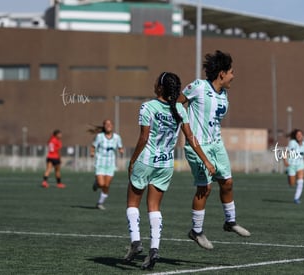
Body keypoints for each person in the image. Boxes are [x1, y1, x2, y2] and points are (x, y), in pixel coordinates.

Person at [124, 72, 215, 270]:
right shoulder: (181, 111)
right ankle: (154, 248)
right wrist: (206, 161)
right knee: (154, 207)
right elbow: (191, 138)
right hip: (165, 164)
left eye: (156, 80)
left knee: (132, 202)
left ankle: (136, 241)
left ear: (160, 88)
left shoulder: (148, 107)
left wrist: (132, 160)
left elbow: (143, 138)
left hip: (146, 161)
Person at [178, 50, 251, 250]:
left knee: (227, 182)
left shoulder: (224, 94)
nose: (233, 76)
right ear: (221, 73)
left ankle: (230, 222)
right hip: (197, 145)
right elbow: (177, 103)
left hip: (216, 144)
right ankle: (197, 231)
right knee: (205, 188)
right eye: (231, 72)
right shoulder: (199, 86)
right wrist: (183, 124)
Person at [89, 119, 124, 210]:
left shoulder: (117, 137)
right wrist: (92, 153)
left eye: (110, 124)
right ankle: (97, 184)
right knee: (101, 183)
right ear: (104, 126)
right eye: (106, 124)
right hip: (100, 163)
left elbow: (120, 147)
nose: (108, 125)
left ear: (112, 126)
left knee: (106, 185)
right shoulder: (99, 136)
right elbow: (93, 146)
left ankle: (100, 203)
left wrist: (121, 151)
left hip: (110, 164)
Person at [283, 129, 304, 204]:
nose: (299, 136)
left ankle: (296, 198)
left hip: (300, 165)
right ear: (295, 136)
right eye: (297, 135)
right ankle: (291, 177)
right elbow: (285, 152)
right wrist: (285, 161)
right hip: (291, 165)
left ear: (302, 136)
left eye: (300, 134)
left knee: (300, 182)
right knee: (292, 184)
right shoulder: (292, 143)